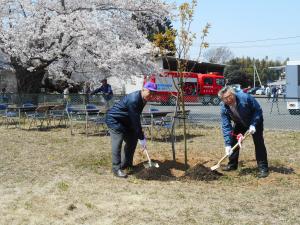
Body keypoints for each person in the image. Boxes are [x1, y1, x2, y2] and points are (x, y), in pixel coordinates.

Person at [105, 82, 157, 178]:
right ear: (143, 89)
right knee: (118, 142)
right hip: (115, 120)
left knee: (132, 140)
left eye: (154, 93)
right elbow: (135, 119)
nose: (152, 95)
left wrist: (139, 136)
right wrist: (141, 137)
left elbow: (134, 118)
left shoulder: (143, 98)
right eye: (150, 92)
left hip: (127, 121)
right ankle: (116, 169)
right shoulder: (134, 100)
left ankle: (126, 164)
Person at [218, 86, 269, 178]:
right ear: (222, 100)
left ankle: (263, 168)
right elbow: (226, 126)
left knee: (259, 143)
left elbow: (257, 111)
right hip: (240, 123)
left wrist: (253, 124)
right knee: (233, 141)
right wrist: (227, 145)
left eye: (230, 96)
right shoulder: (224, 107)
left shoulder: (245, 98)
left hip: (255, 122)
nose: (228, 99)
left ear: (233, 93)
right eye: (225, 98)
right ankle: (232, 165)